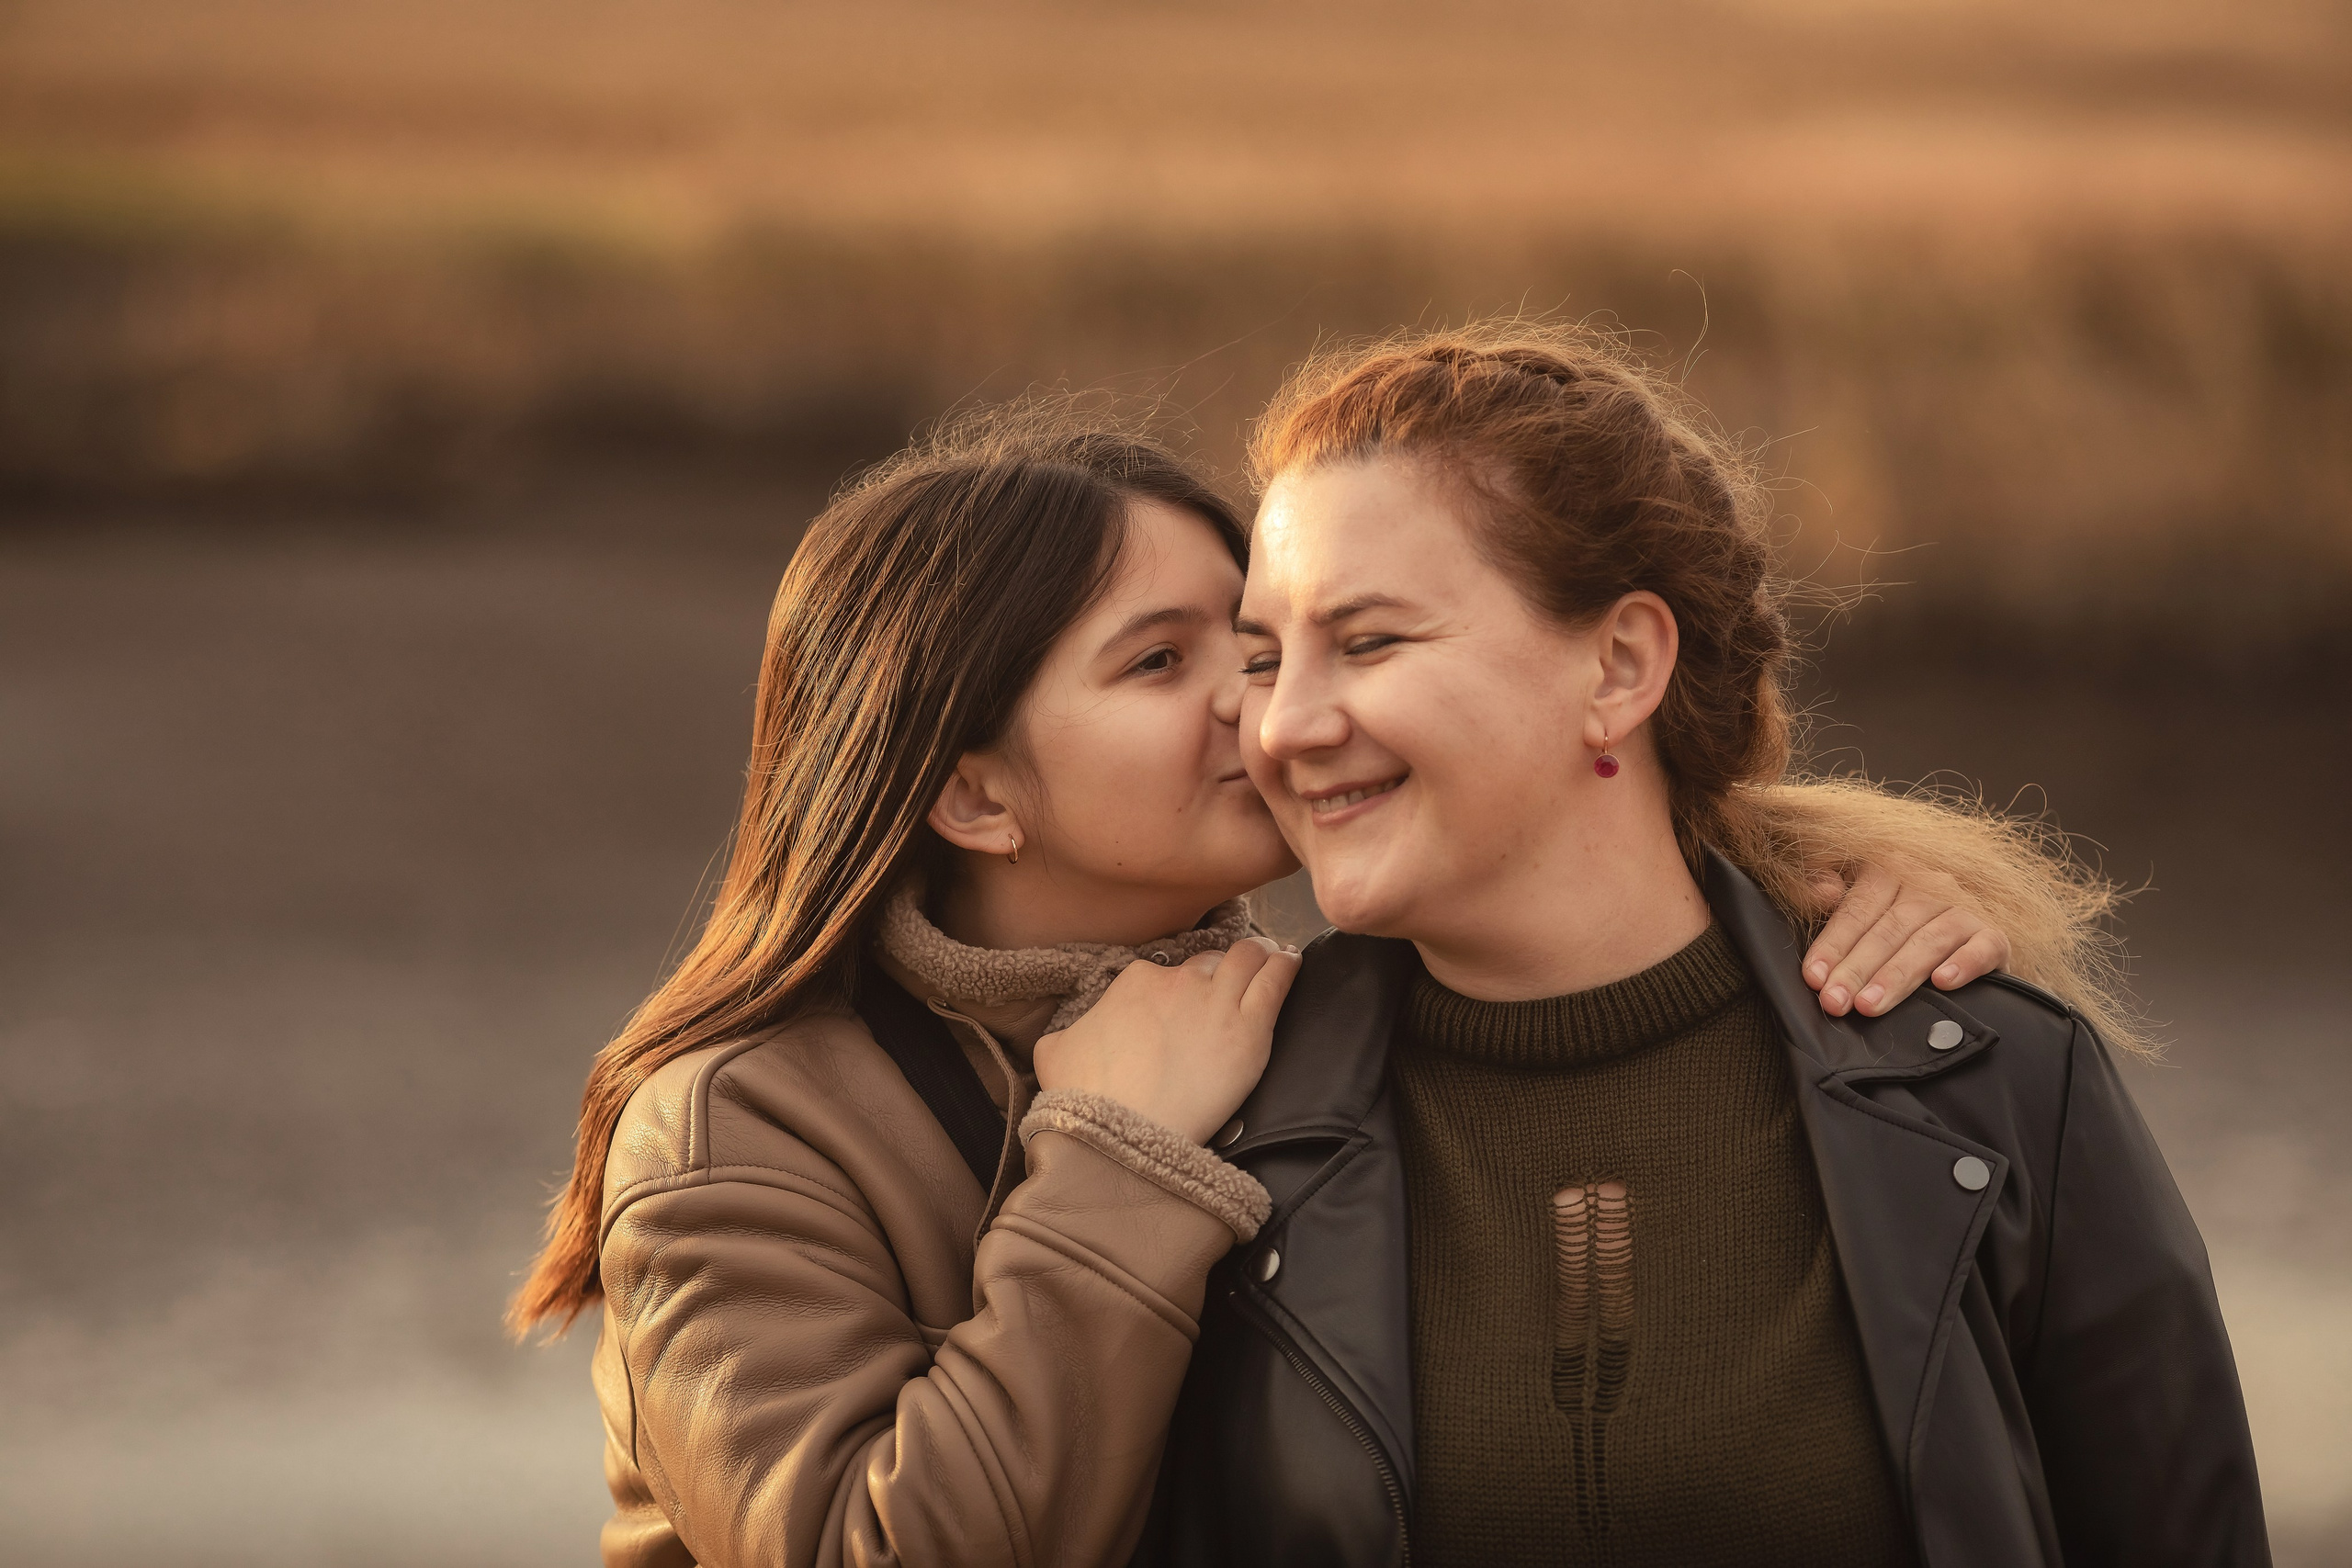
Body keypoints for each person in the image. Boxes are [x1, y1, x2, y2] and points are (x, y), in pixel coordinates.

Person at [509, 403, 2024, 1568]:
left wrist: (1807, 887)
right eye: (1163, 664)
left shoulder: (1289, 1025)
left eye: (1256, 644)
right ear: (974, 797)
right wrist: (1113, 1168)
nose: (1269, 706)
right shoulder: (735, 1130)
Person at [1140, 323, 2267, 1567]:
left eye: (1369, 641)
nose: (1284, 724)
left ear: (1620, 666)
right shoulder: (1212, 1128)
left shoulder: (1995, 1089)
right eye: (1264, 656)